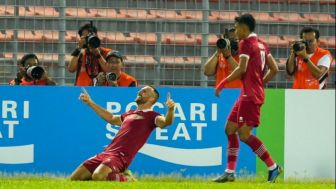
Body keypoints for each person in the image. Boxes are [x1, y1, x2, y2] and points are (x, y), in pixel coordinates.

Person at [213, 14, 280, 183]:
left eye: (236, 28)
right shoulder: (262, 44)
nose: (235, 32)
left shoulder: (246, 44)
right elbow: (274, 69)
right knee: (229, 129)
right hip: (248, 93)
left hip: (249, 96)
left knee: (244, 134)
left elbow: (241, 69)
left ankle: (273, 167)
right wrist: (258, 83)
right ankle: (229, 172)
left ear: (243, 27)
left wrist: (223, 82)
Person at [70, 86, 175, 181]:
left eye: (144, 91)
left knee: (99, 176)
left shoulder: (153, 116)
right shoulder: (129, 113)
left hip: (120, 157)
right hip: (105, 153)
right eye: (140, 90)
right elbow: (111, 118)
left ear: (152, 98)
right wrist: (90, 102)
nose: (140, 91)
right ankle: (117, 176)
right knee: (75, 179)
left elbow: (166, 122)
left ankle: (128, 179)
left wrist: (171, 110)